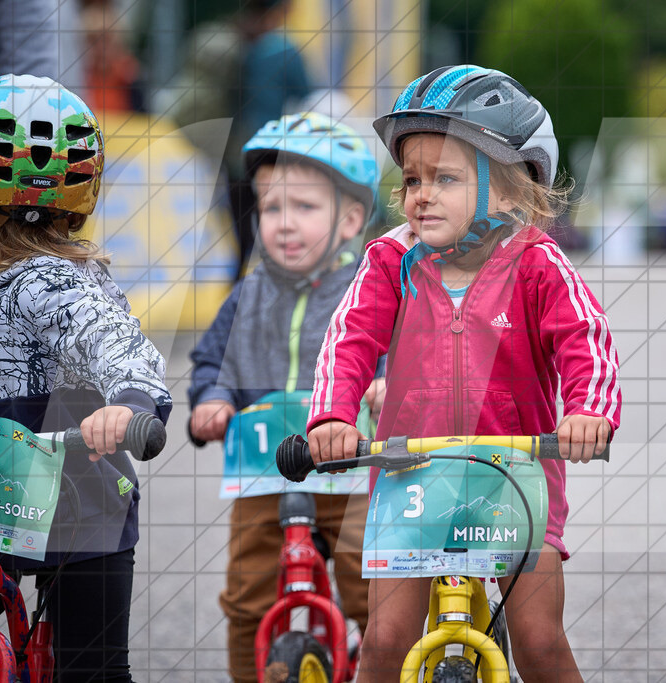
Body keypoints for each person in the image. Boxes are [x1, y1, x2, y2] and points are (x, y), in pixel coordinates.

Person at [304, 64, 621, 682]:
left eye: (445, 178)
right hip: (410, 472)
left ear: (510, 189)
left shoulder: (536, 265)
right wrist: (335, 417)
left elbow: (586, 339)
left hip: (514, 473)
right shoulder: (392, 260)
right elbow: (348, 339)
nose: (421, 194)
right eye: (413, 178)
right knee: (384, 642)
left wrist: (588, 413)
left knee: (539, 642)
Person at [187, 111, 381, 683]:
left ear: (349, 220)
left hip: (351, 472)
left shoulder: (369, 292)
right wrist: (213, 398)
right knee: (247, 596)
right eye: (272, 208)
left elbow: (393, 350)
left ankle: (379, 666)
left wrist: (383, 380)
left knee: (372, 587)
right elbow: (211, 361)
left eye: (304, 207)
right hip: (266, 471)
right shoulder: (248, 293)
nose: (284, 223)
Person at [0, 74, 172, 680]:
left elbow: (116, 344)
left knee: (92, 668)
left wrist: (127, 403)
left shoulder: (52, 280)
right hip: (54, 498)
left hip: (75, 489)